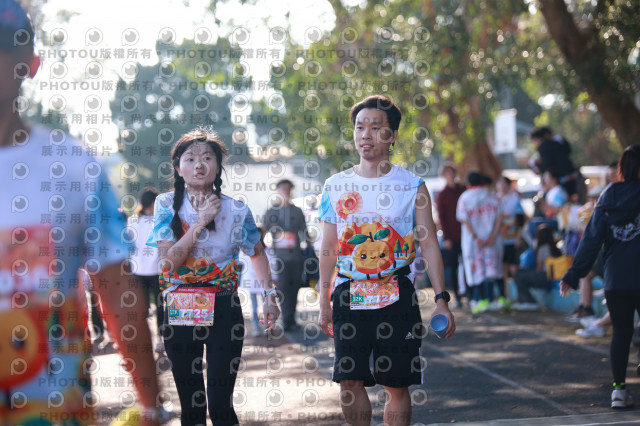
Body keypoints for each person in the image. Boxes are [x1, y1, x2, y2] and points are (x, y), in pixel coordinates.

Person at [0, 1, 162, 423]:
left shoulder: (74, 167)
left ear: (30, 64)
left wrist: (150, 404)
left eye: (3, 46)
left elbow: (118, 291)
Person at [317, 95, 455, 426]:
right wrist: (323, 300)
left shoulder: (412, 186)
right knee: (349, 381)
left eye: (375, 127)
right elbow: (328, 247)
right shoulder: (335, 186)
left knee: (396, 384)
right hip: (349, 293)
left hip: (397, 295)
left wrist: (441, 300)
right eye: (359, 127)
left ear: (392, 135)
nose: (365, 134)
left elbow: (429, 244)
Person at [147, 127, 280, 425]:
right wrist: (201, 221)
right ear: (178, 168)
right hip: (180, 308)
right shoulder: (165, 205)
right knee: (192, 405)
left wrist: (270, 296)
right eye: (190, 158)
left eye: (207, 157)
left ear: (218, 167)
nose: (199, 164)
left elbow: (256, 252)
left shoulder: (237, 209)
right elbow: (169, 262)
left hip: (224, 308)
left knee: (221, 404)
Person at [560, 145, 640, 409]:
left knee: (621, 333)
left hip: (616, 279)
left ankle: (618, 390)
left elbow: (591, 241)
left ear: (622, 168)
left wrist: (574, 274)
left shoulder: (608, 196)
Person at [264, 179, 309, 331]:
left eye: (288, 189)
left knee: (294, 287)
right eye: (283, 189)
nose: (286, 192)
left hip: (296, 257)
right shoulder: (271, 212)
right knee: (282, 288)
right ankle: (285, 319)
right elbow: (263, 231)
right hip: (279, 258)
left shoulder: (297, 211)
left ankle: (291, 319)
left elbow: (305, 233)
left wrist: (309, 251)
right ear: (277, 191)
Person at [456, 171, 503, 314]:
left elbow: (464, 220)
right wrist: (492, 236)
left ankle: (481, 300)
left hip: (473, 242)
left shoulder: (465, 197)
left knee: (476, 270)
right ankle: (493, 299)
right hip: (492, 241)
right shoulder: (493, 196)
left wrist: (476, 237)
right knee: (491, 269)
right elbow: (499, 218)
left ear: (468, 183)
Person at [128, 187, 164, 354]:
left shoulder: (133, 221)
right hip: (155, 270)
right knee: (159, 308)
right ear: (153, 203)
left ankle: (145, 341)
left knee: (142, 309)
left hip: (139, 270)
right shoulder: (159, 221)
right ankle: (159, 340)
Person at [435, 162, 466, 306]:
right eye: (446, 173)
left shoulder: (463, 190)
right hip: (451, 237)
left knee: (468, 265)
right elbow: (441, 218)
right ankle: (457, 296)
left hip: (466, 235)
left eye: (451, 172)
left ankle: (470, 294)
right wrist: (446, 238)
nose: (449, 175)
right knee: (453, 267)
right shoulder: (442, 195)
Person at [511, 224, 562, 311]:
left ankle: (528, 301)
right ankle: (524, 301)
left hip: (545, 277)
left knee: (519, 275)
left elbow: (539, 269)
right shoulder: (556, 248)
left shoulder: (542, 248)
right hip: (554, 278)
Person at [239, 226, 278, 337]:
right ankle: (267, 326)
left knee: (256, 306)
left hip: (254, 282)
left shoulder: (245, 249)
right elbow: (273, 266)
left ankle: (258, 327)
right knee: (266, 304)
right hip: (260, 283)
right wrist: (275, 278)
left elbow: (240, 261)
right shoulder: (268, 250)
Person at [530, 126, 583, 201]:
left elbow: (547, 166)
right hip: (572, 177)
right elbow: (568, 151)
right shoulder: (558, 142)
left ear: (537, 139)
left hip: (562, 180)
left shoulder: (543, 147)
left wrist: (539, 165)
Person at [496, 175, 525, 303]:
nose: (501, 186)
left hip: (512, 239)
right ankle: (505, 296)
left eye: (504, 184)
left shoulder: (514, 200)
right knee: (502, 268)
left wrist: (518, 237)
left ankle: (520, 296)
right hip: (499, 239)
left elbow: (521, 220)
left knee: (514, 267)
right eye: (499, 184)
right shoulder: (495, 199)